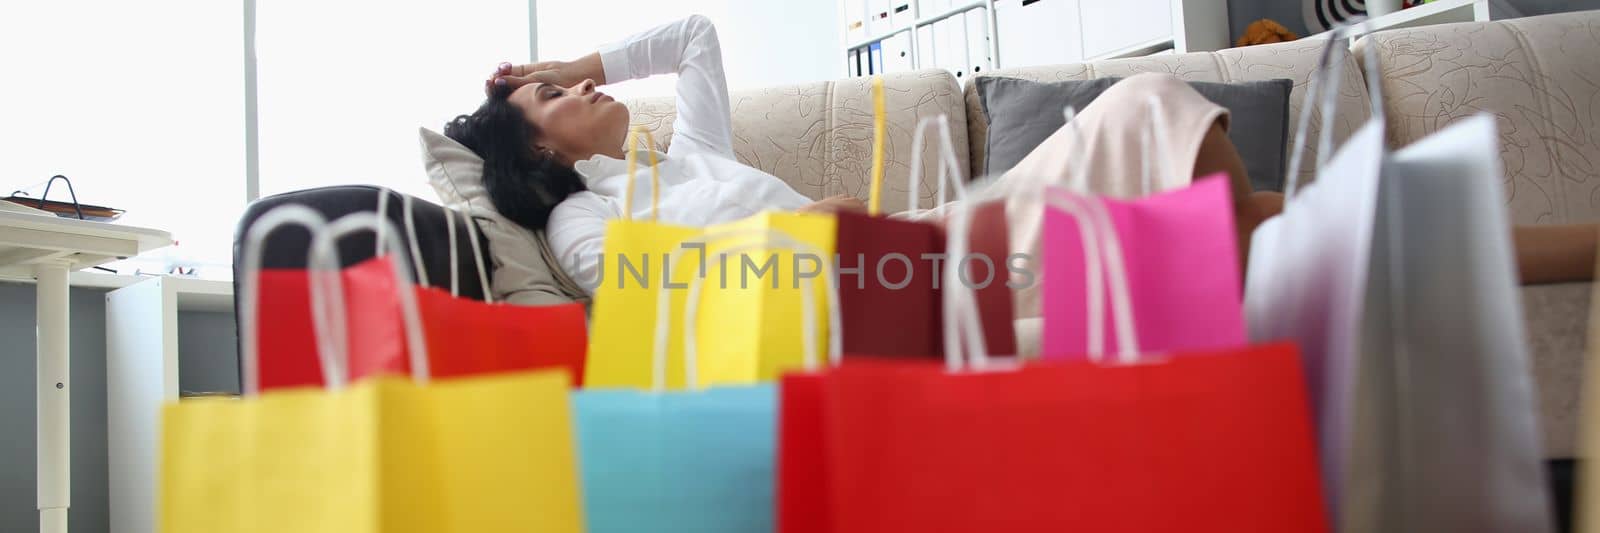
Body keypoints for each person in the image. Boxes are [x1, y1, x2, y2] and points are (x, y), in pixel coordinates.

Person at [446, 15, 1597, 306]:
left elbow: (692, 33)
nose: (588, 87)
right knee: (1188, 148)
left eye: (573, 75)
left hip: (939, 245)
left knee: (1279, 231)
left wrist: (555, 57)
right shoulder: (579, 227)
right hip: (897, 287)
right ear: (539, 146)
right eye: (559, 96)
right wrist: (804, 231)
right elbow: (658, 293)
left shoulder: (681, 145)